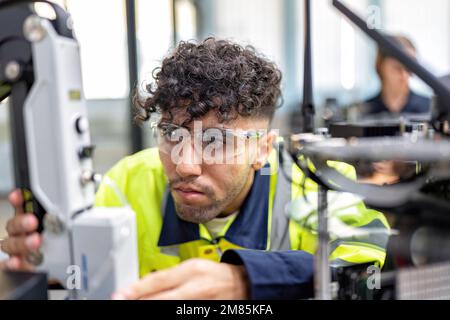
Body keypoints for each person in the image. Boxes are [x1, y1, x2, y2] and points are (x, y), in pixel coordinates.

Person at [0, 38, 390, 300]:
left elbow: (367, 274)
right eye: (171, 133)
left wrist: (247, 280)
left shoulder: (319, 181)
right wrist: (43, 268)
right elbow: (75, 278)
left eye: (214, 141)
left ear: (263, 149)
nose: (184, 165)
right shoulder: (125, 183)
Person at [363, 34, 431, 116]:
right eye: (397, 68)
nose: (404, 76)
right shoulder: (365, 110)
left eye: (409, 69)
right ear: (381, 66)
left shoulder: (428, 108)